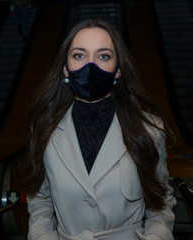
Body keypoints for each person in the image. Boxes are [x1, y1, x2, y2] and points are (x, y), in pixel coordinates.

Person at [25, 18, 176, 240]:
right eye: (79, 55)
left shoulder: (149, 130)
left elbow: (160, 203)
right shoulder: (45, 129)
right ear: (66, 69)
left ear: (117, 70)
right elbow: (39, 201)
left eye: (103, 56)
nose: (90, 66)